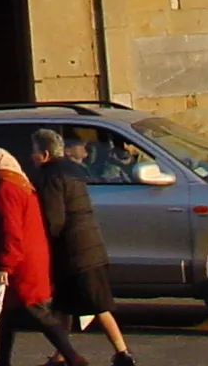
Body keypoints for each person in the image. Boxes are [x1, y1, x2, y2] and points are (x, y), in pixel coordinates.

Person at [31, 128, 136, 366]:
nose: (32, 157)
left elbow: (53, 219)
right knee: (64, 305)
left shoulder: (49, 176)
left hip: (75, 250)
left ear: (45, 154)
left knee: (98, 303)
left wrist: (42, 242)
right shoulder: (74, 170)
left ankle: (122, 353)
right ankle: (61, 355)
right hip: (88, 244)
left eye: (34, 151)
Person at [0, 144, 88, 366]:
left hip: (21, 263)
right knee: (7, 314)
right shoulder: (15, 185)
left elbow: (11, 232)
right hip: (26, 258)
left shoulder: (6, 190)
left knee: (37, 311)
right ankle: (3, 361)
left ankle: (73, 358)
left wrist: (4, 266)